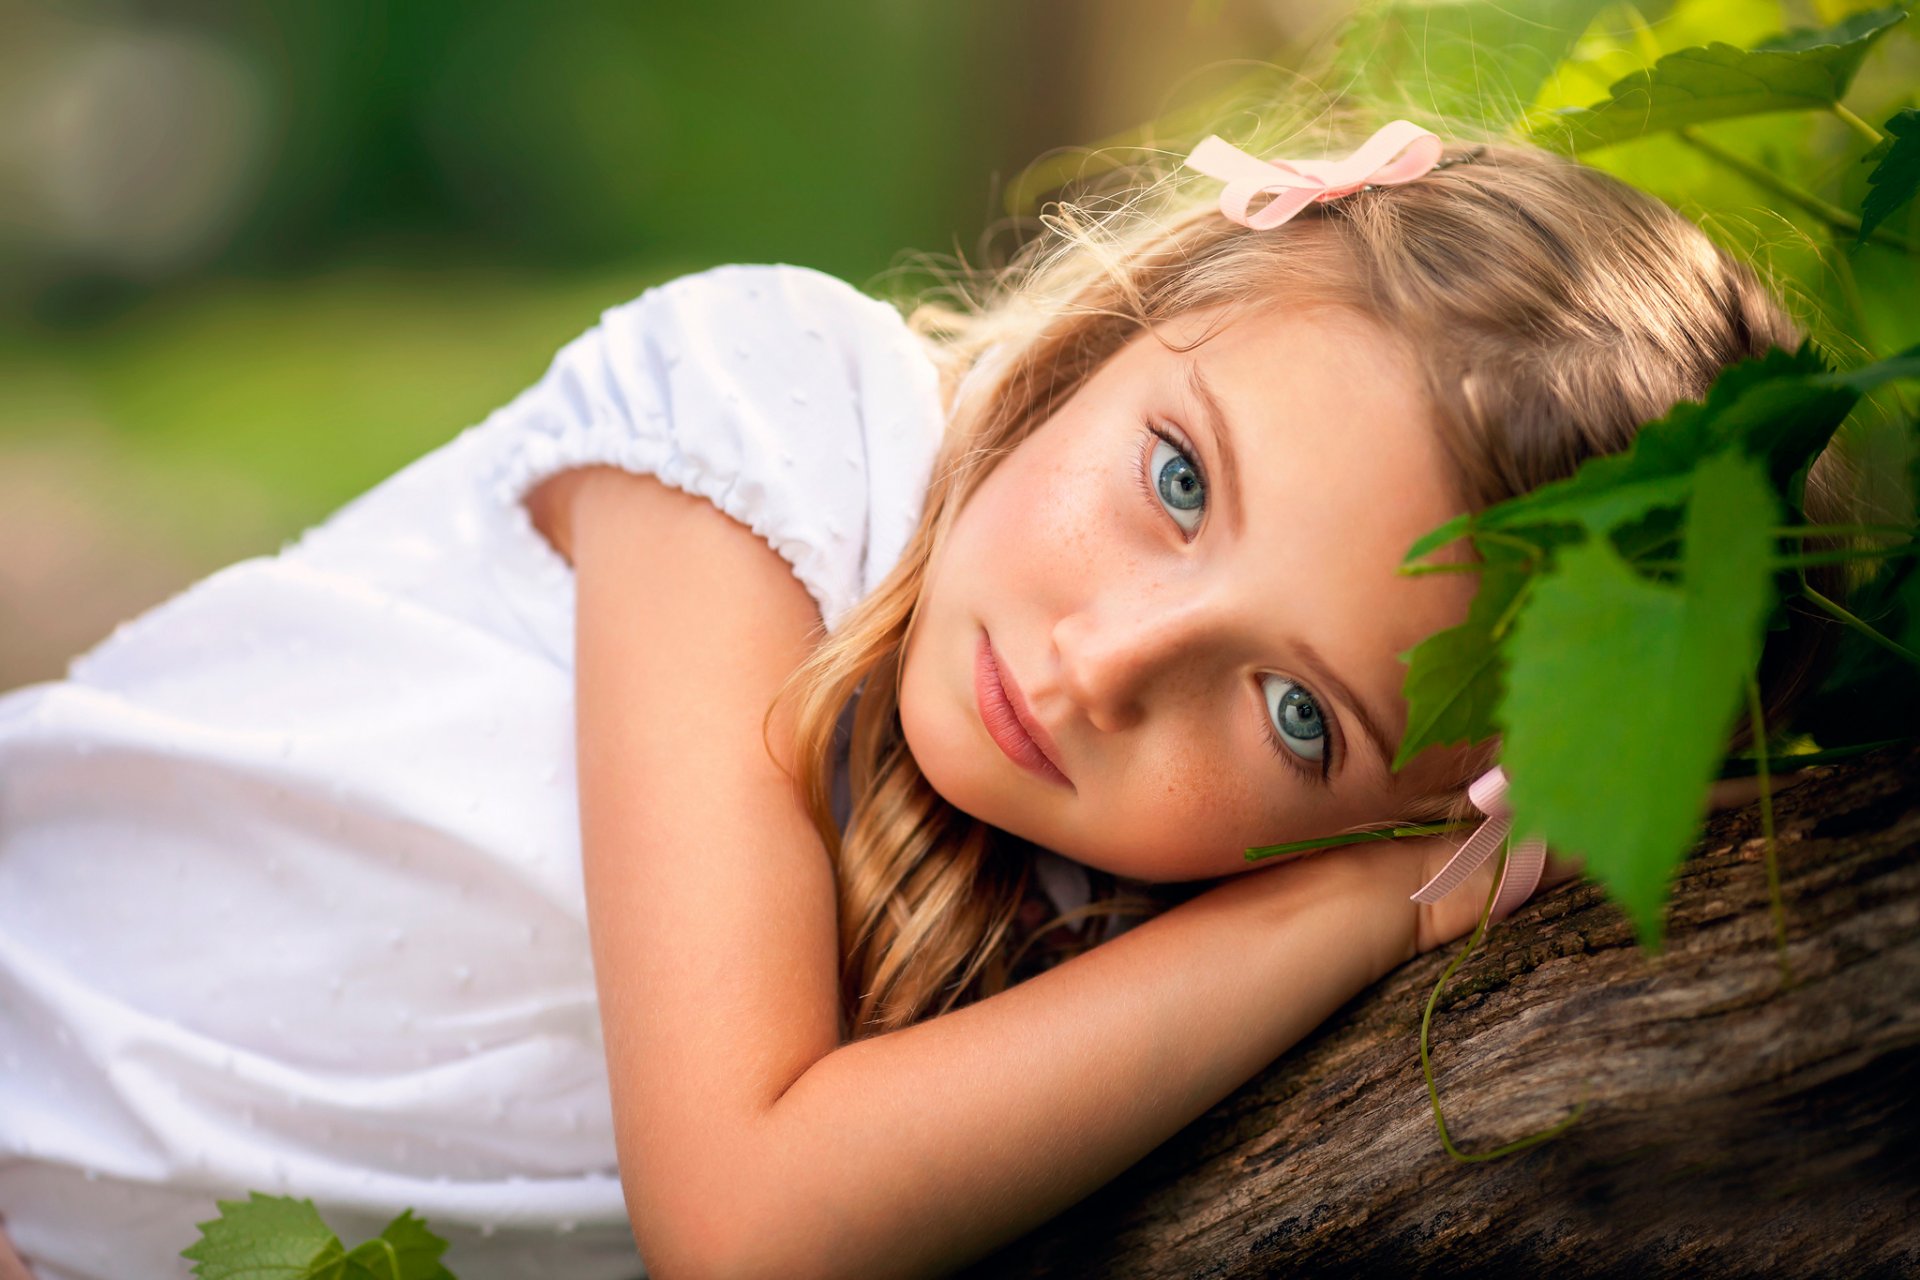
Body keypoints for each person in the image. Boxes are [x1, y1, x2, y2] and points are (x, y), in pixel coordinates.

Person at [0, 116, 1844, 1279]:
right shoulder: (776, 427)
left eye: (1296, 717)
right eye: (1179, 480)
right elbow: (749, 1225)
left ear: (1442, 801)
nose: (1102, 663)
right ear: (1148, 310)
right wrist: (1352, 908)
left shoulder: (1087, 957)